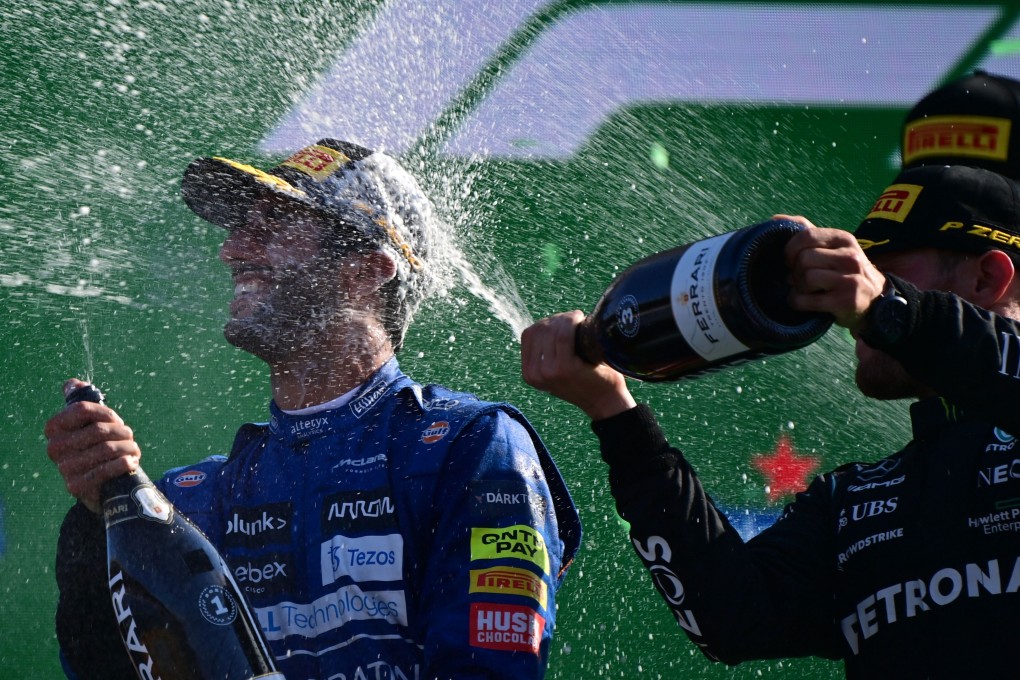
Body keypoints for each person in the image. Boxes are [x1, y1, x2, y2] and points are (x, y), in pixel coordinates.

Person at [46, 138, 581, 680]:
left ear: (367, 269)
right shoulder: (195, 498)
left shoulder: (467, 447)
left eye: (273, 225)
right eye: (239, 228)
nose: (231, 251)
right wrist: (98, 516)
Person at [521, 163, 1020, 678]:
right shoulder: (855, 501)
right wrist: (615, 415)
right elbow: (733, 621)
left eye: (886, 269)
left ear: (987, 277)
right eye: (865, 270)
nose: (856, 295)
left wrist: (894, 310)